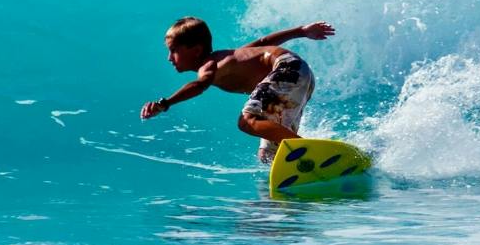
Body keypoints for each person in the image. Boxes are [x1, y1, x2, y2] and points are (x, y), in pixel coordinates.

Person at [141, 17, 336, 160]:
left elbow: (199, 85)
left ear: (197, 50)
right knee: (268, 154)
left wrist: (165, 103)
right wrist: (301, 31)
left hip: (286, 69)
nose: (169, 58)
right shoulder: (231, 57)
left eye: (174, 50)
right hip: (300, 76)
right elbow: (263, 43)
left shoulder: (209, 64)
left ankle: (310, 152)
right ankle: (310, 162)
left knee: (247, 121)